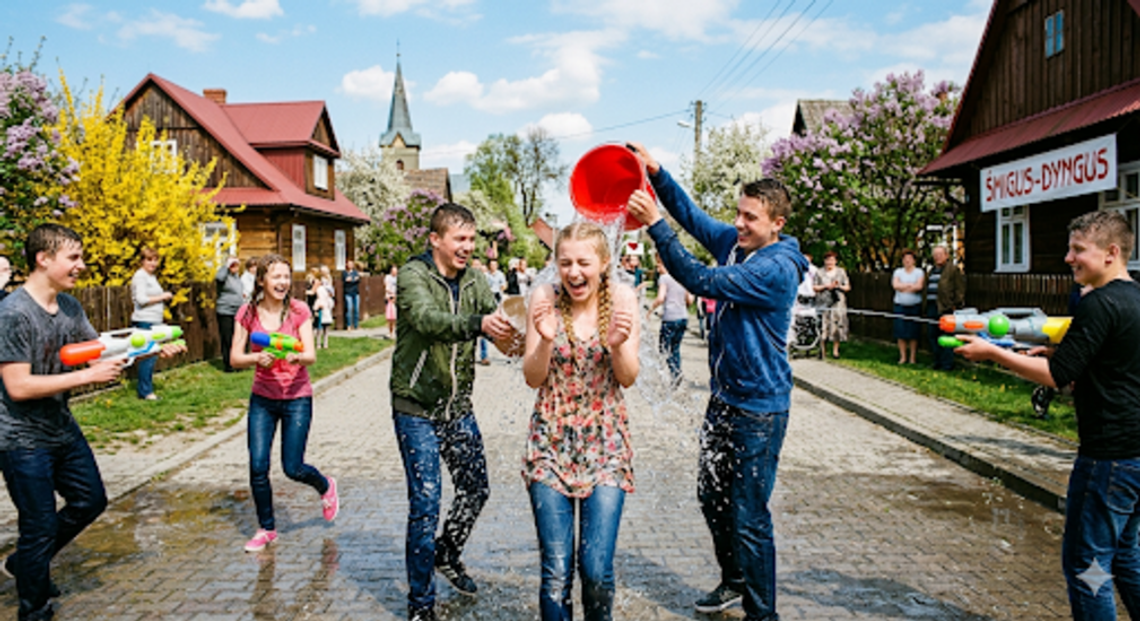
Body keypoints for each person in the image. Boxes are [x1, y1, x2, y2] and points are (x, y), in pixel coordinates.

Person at [627, 142, 808, 620]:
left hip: (760, 408)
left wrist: (654, 226)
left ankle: (762, 613)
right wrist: (658, 172)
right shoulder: (737, 243)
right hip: (724, 400)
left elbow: (700, 279)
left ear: (777, 224)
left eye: (751, 218)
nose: (741, 224)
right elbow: (692, 216)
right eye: (740, 214)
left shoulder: (776, 269)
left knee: (750, 513)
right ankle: (733, 580)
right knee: (711, 495)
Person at [953, 211, 1140, 620]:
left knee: (1088, 567)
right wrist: (1059, 351)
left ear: (1111, 253)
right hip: (1137, 456)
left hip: (1108, 458)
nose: (1068, 258)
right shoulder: (1135, 299)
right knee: (1125, 559)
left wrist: (993, 353)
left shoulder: (1099, 303)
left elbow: (1056, 378)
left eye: (1078, 250)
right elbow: (1117, 360)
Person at [0, 224, 183, 620]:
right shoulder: (13, 313)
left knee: (91, 500)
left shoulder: (70, 308)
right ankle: (34, 609)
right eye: (74, 258)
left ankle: (27, 562)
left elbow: (98, 355)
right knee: (40, 526)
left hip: (60, 428)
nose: (81, 265)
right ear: (43, 259)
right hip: (20, 437)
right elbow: (17, 385)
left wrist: (152, 350)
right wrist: (86, 377)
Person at [389, 203, 514, 621]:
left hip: (457, 408)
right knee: (426, 502)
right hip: (416, 408)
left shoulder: (476, 280)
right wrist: (478, 325)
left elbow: (498, 325)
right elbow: (427, 320)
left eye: (471, 239)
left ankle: (447, 552)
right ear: (436, 240)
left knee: (476, 489)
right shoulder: (413, 276)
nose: (467, 247)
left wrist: (529, 338)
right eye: (459, 239)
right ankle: (421, 605)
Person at [522, 221, 640, 621]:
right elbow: (532, 377)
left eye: (584, 263)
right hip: (549, 444)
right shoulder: (543, 296)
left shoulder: (622, 297)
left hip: (605, 445)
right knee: (556, 573)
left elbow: (627, 376)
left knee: (595, 571)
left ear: (604, 263)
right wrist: (546, 339)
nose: (574, 272)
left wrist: (618, 346)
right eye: (565, 262)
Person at [230, 253, 339, 553]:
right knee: (257, 465)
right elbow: (234, 358)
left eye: (286, 277)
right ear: (262, 280)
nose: (282, 282)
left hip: (296, 398)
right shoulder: (247, 313)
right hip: (262, 399)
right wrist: (255, 358)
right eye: (276, 276)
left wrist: (297, 356)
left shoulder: (298, 310)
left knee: (292, 467)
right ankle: (267, 528)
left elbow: (311, 355)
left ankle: (325, 486)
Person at [131, 246, 174, 400]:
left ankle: (146, 389)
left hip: (154, 320)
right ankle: (145, 392)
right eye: (149, 260)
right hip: (144, 320)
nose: (153, 263)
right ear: (142, 261)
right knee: (147, 357)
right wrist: (163, 296)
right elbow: (141, 300)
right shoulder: (140, 276)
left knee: (152, 356)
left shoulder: (151, 276)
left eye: (155, 260)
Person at [650, 257, 693, 384]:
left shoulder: (664, 278)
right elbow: (690, 300)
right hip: (683, 317)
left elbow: (660, 298)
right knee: (675, 348)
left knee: (664, 349)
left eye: (659, 266)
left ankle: (671, 375)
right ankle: (677, 373)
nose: (658, 270)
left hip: (670, 318)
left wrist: (650, 310)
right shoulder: (681, 277)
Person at [925, 245, 965, 371]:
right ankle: (937, 361)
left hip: (945, 308)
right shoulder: (931, 270)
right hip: (932, 306)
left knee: (946, 337)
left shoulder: (952, 270)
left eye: (940, 254)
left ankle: (947, 364)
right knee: (933, 335)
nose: (937, 257)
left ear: (946, 256)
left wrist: (956, 305)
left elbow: (960, 289)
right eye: (935, 255)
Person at [813, 251, 850, 359]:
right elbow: (814, 287)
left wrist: (838, 286)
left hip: (837, 303)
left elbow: (847, 287)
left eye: (832, 260)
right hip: (823, 302)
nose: (830, 262)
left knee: (837, 325)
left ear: (836, 261)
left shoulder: (841, 272)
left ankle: (835, 351)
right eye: (828, 260)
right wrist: (825, 286)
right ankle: (822, 350)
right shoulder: (819, 272)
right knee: (823, 325)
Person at [891, 249, 924, 365]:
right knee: (900, 332)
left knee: (913, 333)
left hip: (914, 305)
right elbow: (895, 285)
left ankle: (912, 358)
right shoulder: (898, 272)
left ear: (914, 260)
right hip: (900, 305)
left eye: (909, 259)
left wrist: (903, 287)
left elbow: (918, 287)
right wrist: (909, 285)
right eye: (905, 259)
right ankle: (903, 357)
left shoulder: (919, 272)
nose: (907, 261)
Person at [216, 256, 244, 373]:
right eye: (233, 265)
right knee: (227, 338)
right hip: (225, 311)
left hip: (237, 312)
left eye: (237, 265)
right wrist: (226, 266)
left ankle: (237, 362)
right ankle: (228, 364)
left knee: (236, 338)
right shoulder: (224, 275)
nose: (235, 268)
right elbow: (219, 278)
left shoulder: (236, 277)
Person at [313, 277, 334, 349]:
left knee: (324, 329)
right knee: (320, 329)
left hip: (326, 312)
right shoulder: (321, 294)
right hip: (322, 311)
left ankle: (324, 343)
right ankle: (320, 343)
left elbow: (331, 304)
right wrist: (316, 309)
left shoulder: (328, 298)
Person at [342, 260, 361, 331]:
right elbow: (346, 280)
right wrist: (353, 280)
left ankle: (356, 325)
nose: (350, 265)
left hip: (356, 293)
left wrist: (352, 280)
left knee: (356, 309)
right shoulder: (344, 273)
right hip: (348, 293)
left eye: (351, 264)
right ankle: (349, 325)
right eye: (349, 264)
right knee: (349, 309)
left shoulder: (355, 272)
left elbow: (358, 280)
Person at [384, 266, 399, 339]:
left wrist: (396, 295)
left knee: (396, 316)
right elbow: (387, 287)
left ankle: (396, 331)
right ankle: (390, 332)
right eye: (394, 271)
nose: (395, 273)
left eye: (396, 271)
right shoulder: (388, 277)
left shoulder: (398, 278)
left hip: (396, 298)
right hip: (389, 297)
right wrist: (391, 294)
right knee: (390, 317)